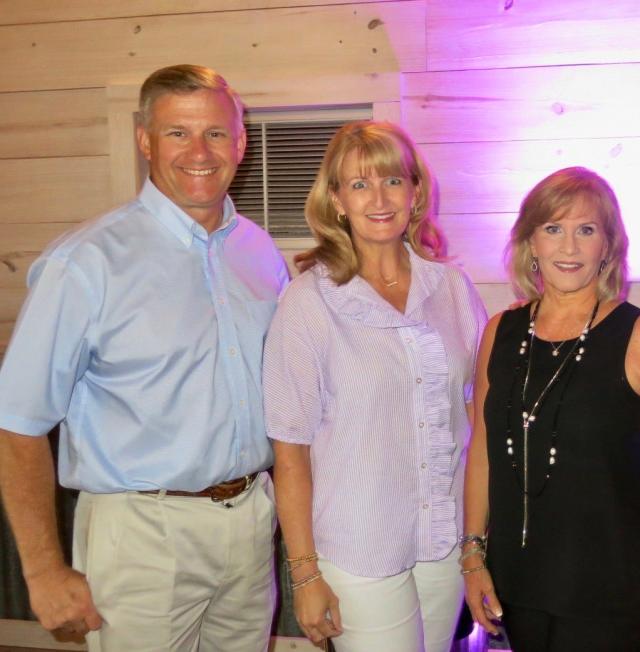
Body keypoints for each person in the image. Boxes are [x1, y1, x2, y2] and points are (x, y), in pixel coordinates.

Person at [0, 65, 288, 651]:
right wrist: (44, 571)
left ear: (240, 141)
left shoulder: (260, 253)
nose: (199, 151)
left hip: (252, 521)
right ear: (144, 140)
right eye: (177, 133)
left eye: (214, 133)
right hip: (142, 535)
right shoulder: (86, 263)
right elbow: (15, 423)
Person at [263, 120, 487, 652]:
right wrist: (304, 574)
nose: (379, 198)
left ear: (415, 192)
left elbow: (478, 416)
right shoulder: (307, 302)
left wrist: (477, 542)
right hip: (359, 544)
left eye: (391, 180)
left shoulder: (452, 289)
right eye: (359, 184)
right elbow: (289, 452)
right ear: (336, 200)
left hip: (445, 539)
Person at [462, 167, 640, 652]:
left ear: (607, 246)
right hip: (518, 584)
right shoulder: (498, 333)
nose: (568, 247)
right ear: (531, 242)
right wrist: (473, 555)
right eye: (553, 229)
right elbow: (482, 450)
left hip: (613, 592)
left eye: (586, 230)